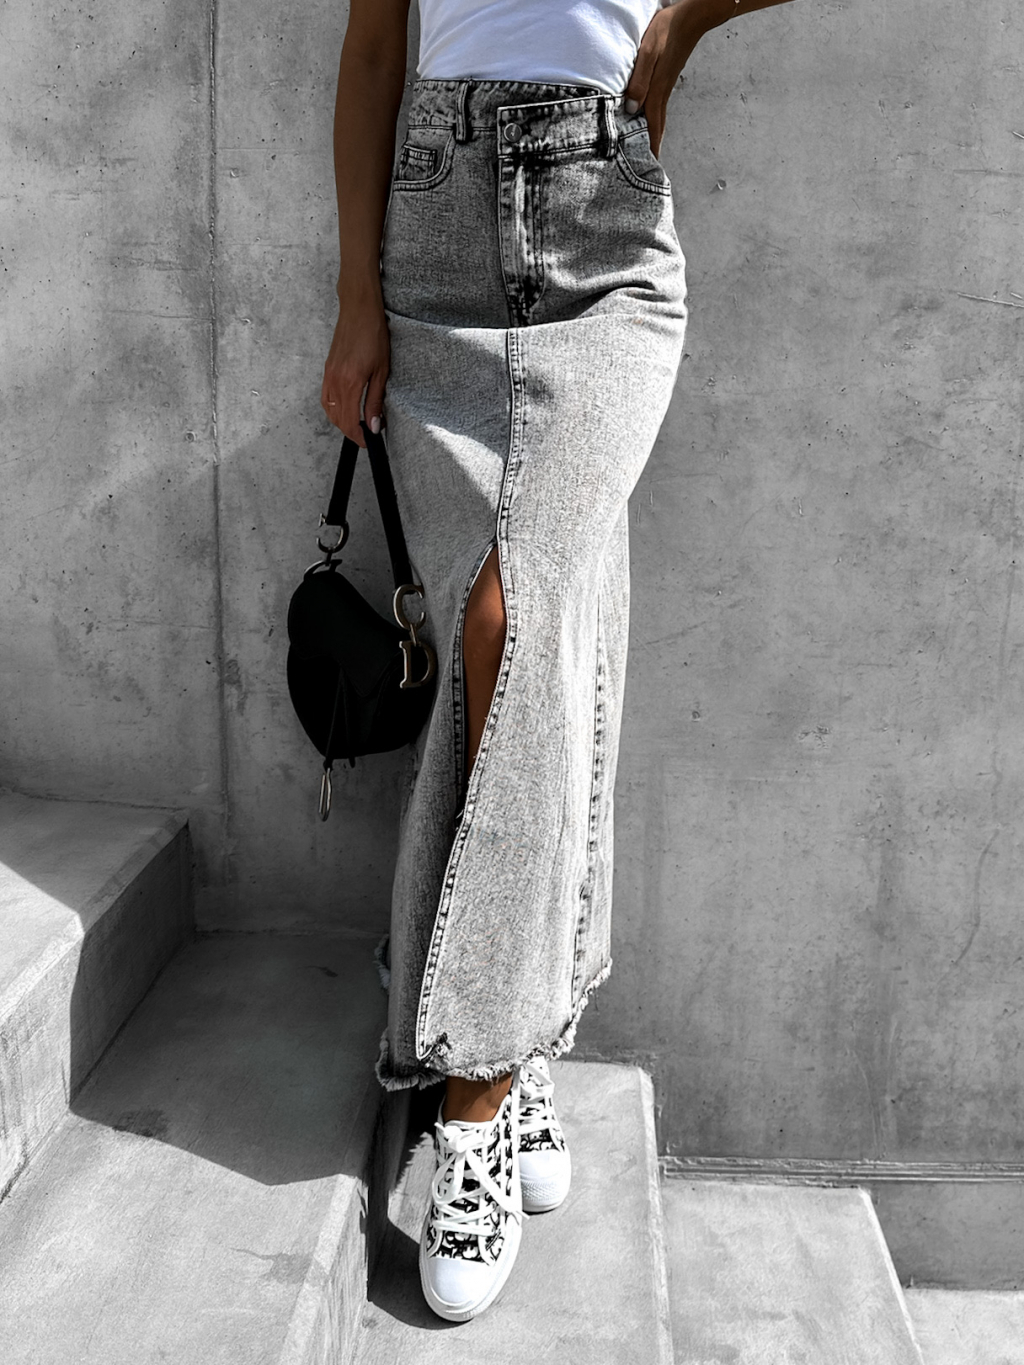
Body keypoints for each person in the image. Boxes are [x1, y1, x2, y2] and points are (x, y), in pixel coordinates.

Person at [321, 0, 794, 1323]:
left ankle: (468, 1104)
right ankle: (524, 1028)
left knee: (515, 620)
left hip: (607, 243)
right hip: (437, 225)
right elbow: (374, 45)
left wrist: (679, 29)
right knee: (548, 627)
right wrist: (355, 301)